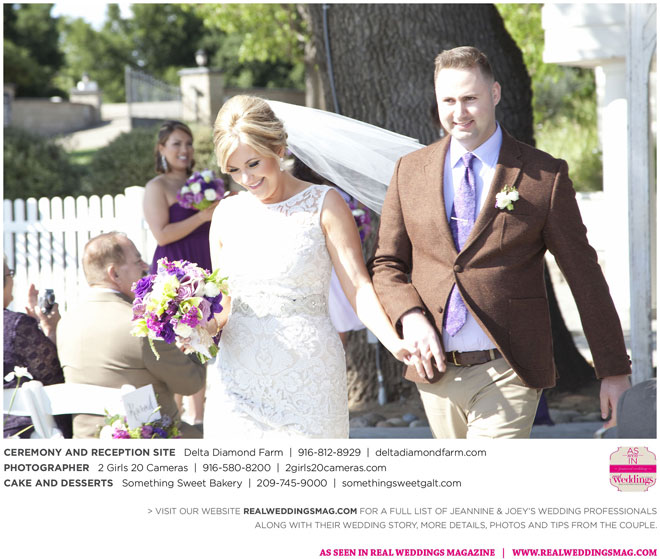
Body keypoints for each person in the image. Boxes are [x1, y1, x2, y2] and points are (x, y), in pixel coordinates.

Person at [369, 46, 632, 439]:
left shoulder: (544, 176)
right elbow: (386, 264)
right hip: (434, 371)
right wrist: (410, 316)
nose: (459, 112)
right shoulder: (409, 170)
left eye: (470, 98)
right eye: (448, 101)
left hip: (509, 370)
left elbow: (584, 275)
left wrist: (613, 370)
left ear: (494, 93)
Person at [204, 95, 416, 439]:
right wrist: (196, 328)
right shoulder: (226, 213)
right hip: (237, 381)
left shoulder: (324, 204)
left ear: (279, 148)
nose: (246, 177)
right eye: (234, 169)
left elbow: (358, 286)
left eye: (253, 163)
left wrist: (394, 341)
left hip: (308, 374)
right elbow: (225, 305)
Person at [56, 232, 206, 438]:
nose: (145, 266)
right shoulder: (141, 325)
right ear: (114, 274)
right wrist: (198, 337)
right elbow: (190, 384)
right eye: (137, 261)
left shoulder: (66, 322)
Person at [143, 121, 218, 424]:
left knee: (204, 337)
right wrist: (202, 216)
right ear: (162, 148)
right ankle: (173, 419)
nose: (184, 149)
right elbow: (161, 234)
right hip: (174, 270)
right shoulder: (157, 187)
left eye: (188, 143)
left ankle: (199, 418)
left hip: (204, 262)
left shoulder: (204, 181)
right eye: (176, 144)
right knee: (177, 343)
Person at [3, 258, 72, 438]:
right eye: (10, 274)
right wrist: (51, 328)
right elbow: (56, 378)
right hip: (21, 435)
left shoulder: (19, 325)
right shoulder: (16, 325)